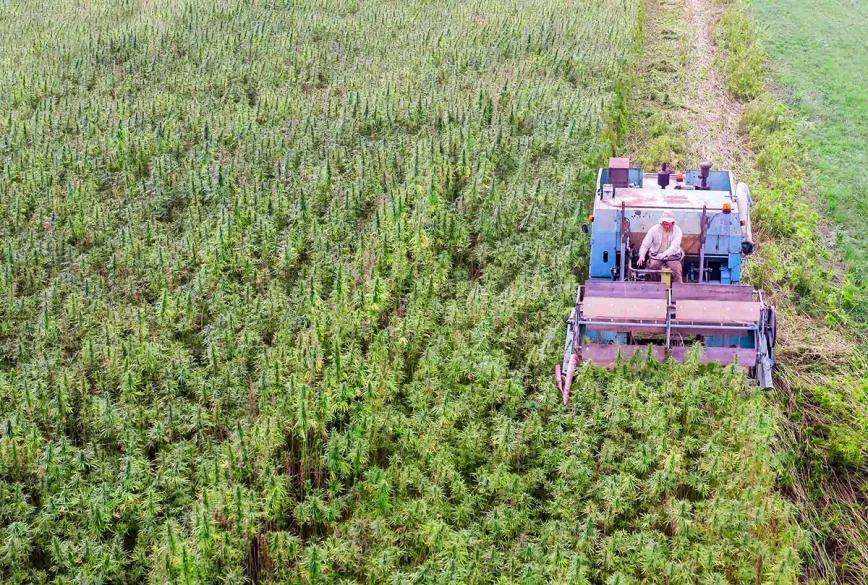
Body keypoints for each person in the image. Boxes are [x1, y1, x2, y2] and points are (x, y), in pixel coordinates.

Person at [637, 211, 684, 282]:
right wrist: (642, 255)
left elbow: (674, 247)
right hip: (656, 255)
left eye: (669, 224)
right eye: (665, 224)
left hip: (673, 256)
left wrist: (664, 254)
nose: (667, 226)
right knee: (653, 267)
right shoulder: (654, 230)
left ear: (673, 223)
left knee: (676, 269)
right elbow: (645, 244)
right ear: (661, 223)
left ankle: (678, 287)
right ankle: (654, 285)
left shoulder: (678, 231)